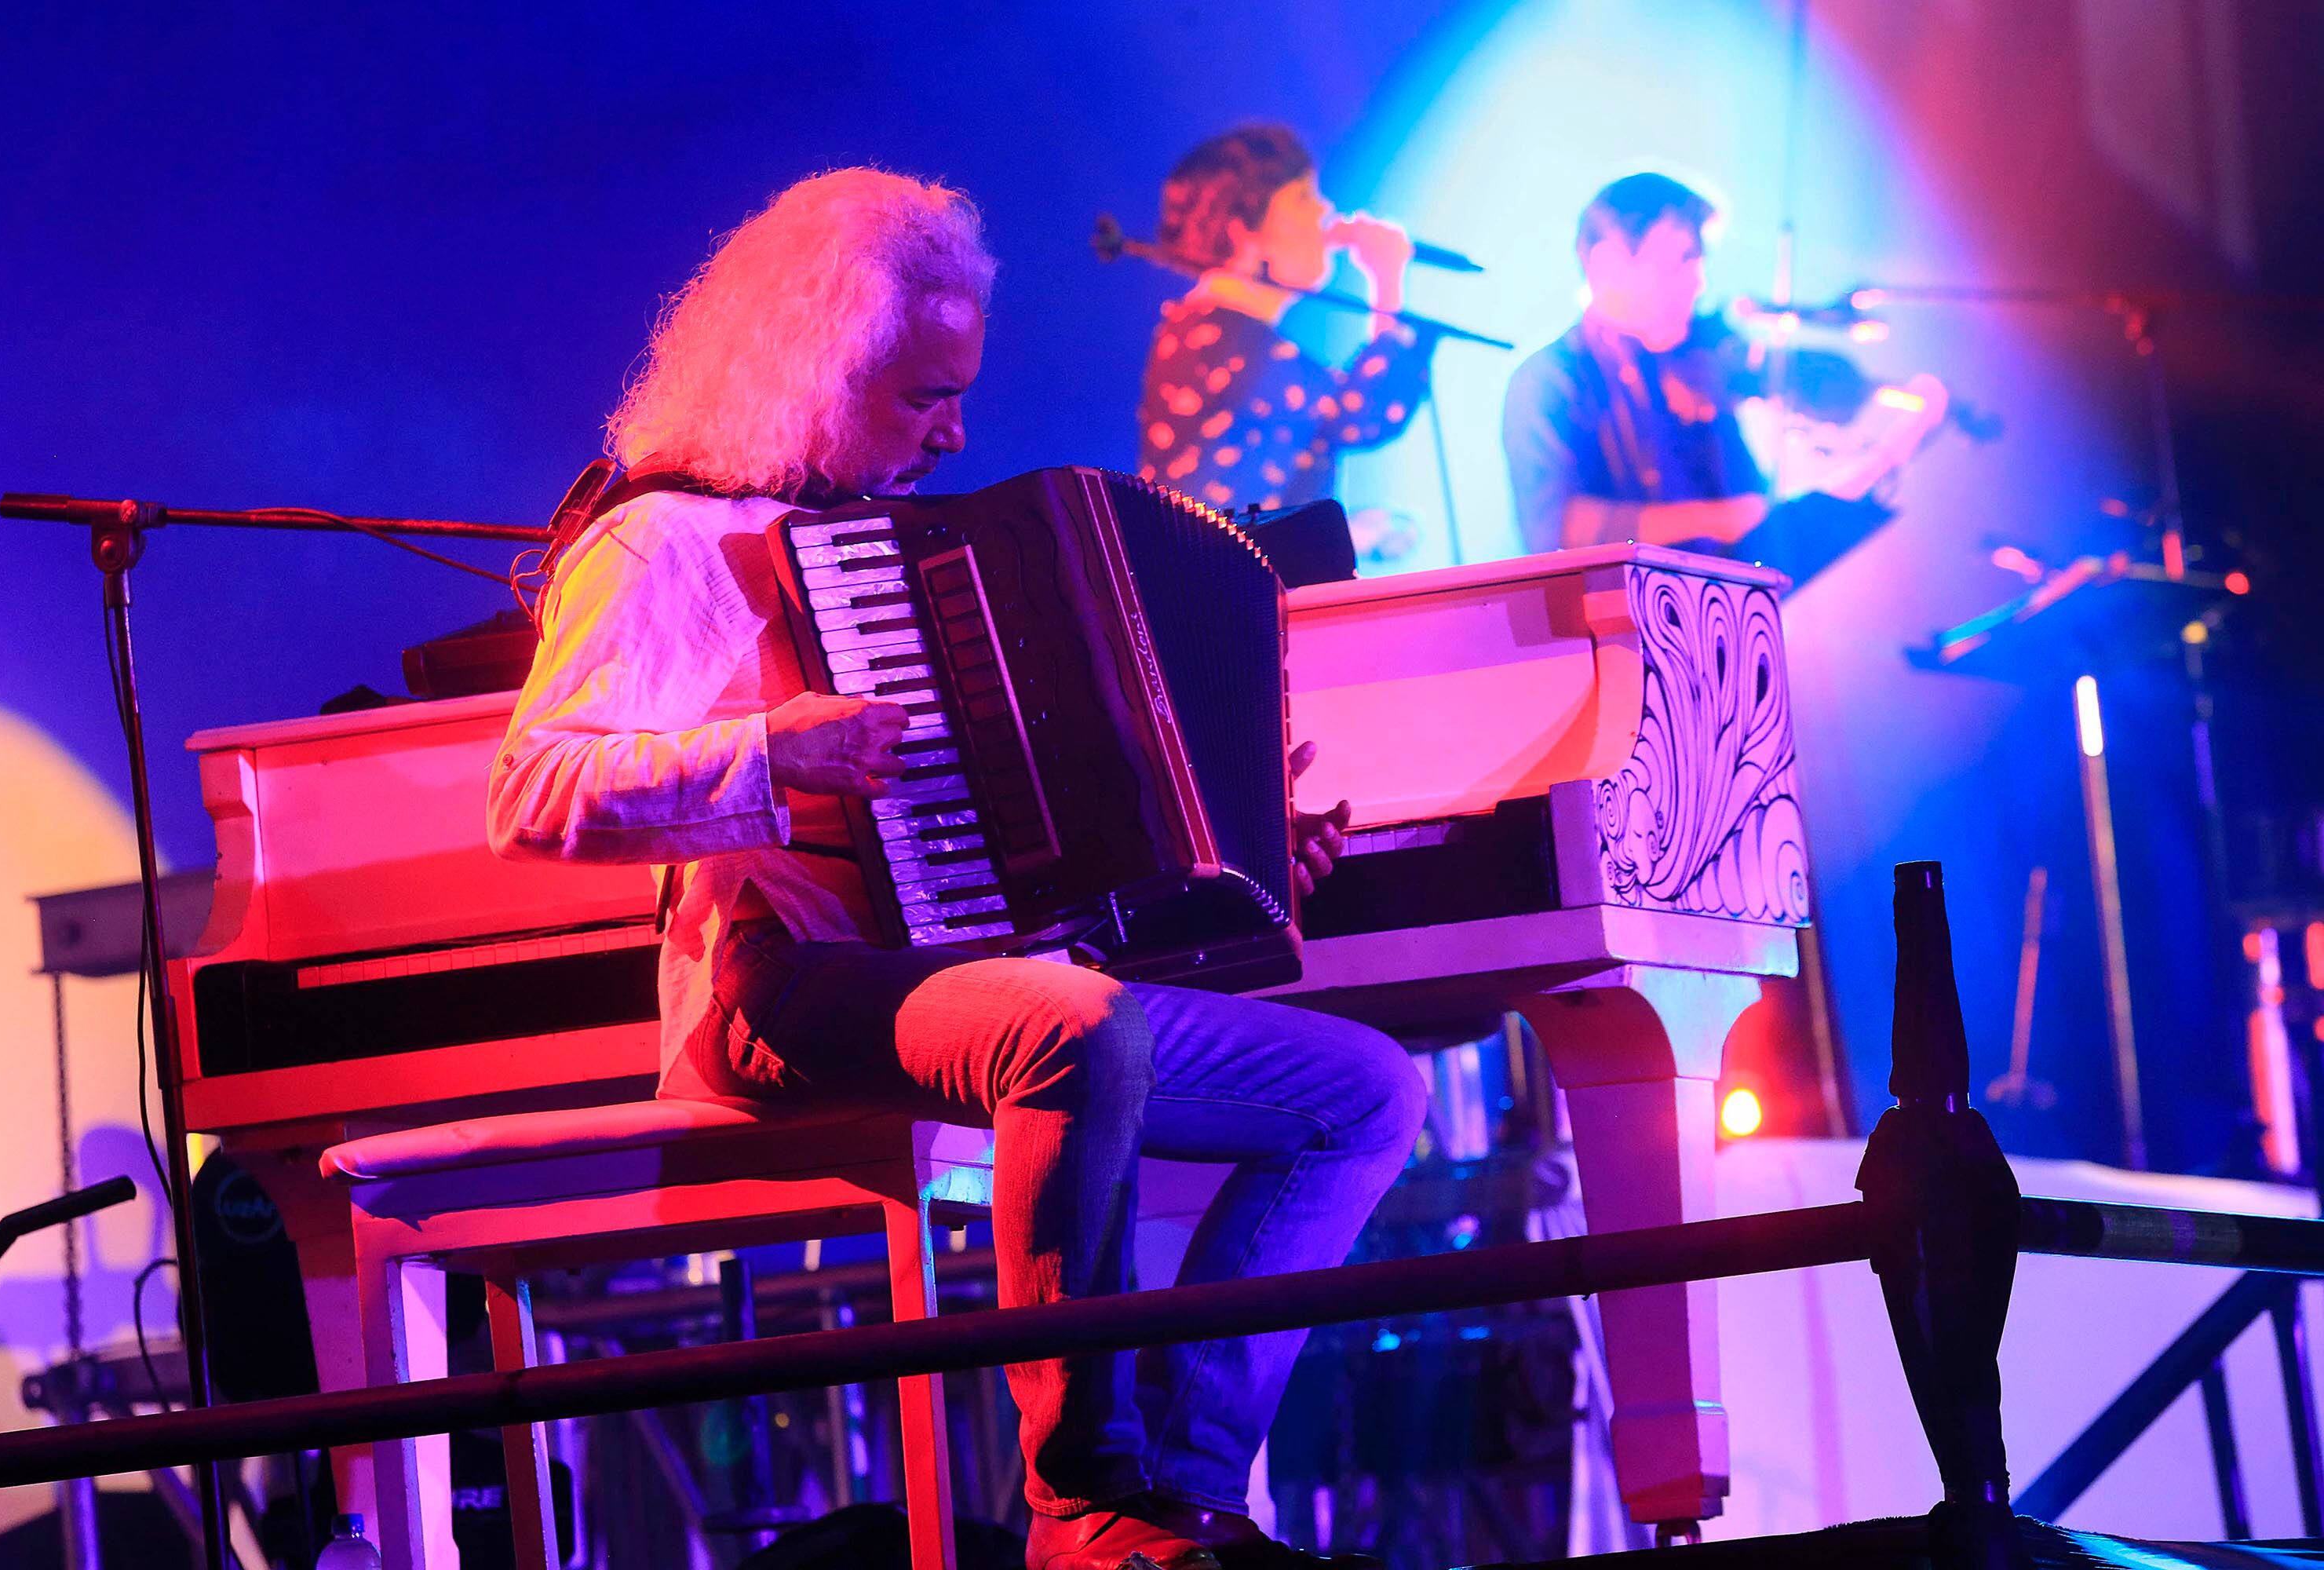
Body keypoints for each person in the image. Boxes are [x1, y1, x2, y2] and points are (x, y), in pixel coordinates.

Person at [489, 169, 1422, 1570]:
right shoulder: (664, 541)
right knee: (1073, 1027)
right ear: (818, 374)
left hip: (974, 987)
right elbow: (528, 793)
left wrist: (1236, 848)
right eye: (925, 397)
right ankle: (1083, 1502)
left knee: (1365, 1092)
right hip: (781, 986)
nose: (957, 433)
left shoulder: (923, 553)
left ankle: (1181, 1491)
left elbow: (1031, 851)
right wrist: (770, 753)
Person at [1501, 171, 1946, 560]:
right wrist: (1713, 519)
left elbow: (1755, 516)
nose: (1700, 282)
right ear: (1609, 265)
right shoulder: (1550, 382)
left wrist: (1887, 453)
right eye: (1684, 259)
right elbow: (1554, 532)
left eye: (1701, 260)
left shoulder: (1699, 369)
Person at [1138, 125, 1436, 515]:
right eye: (1303, 197)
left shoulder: (1209, 331)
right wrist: (1387, 276)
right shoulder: (1217, 339)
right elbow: (1363, 412)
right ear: (1243, 229)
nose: (1325, 211)